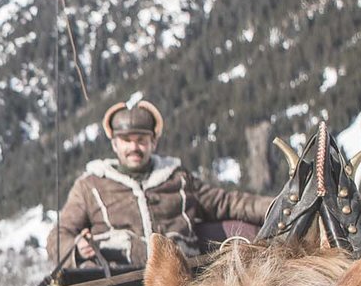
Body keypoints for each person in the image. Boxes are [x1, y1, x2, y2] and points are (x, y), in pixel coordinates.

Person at [46, 94, 276, 267]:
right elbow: (58, 237)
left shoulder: (177, 179)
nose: (134, 147)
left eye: (141, 140)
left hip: (181, 280)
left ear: (153, 143)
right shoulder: (91, 186)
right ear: (115, 144)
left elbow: (228, 202)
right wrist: (76, 249)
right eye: (126, 140)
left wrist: (280, 206)